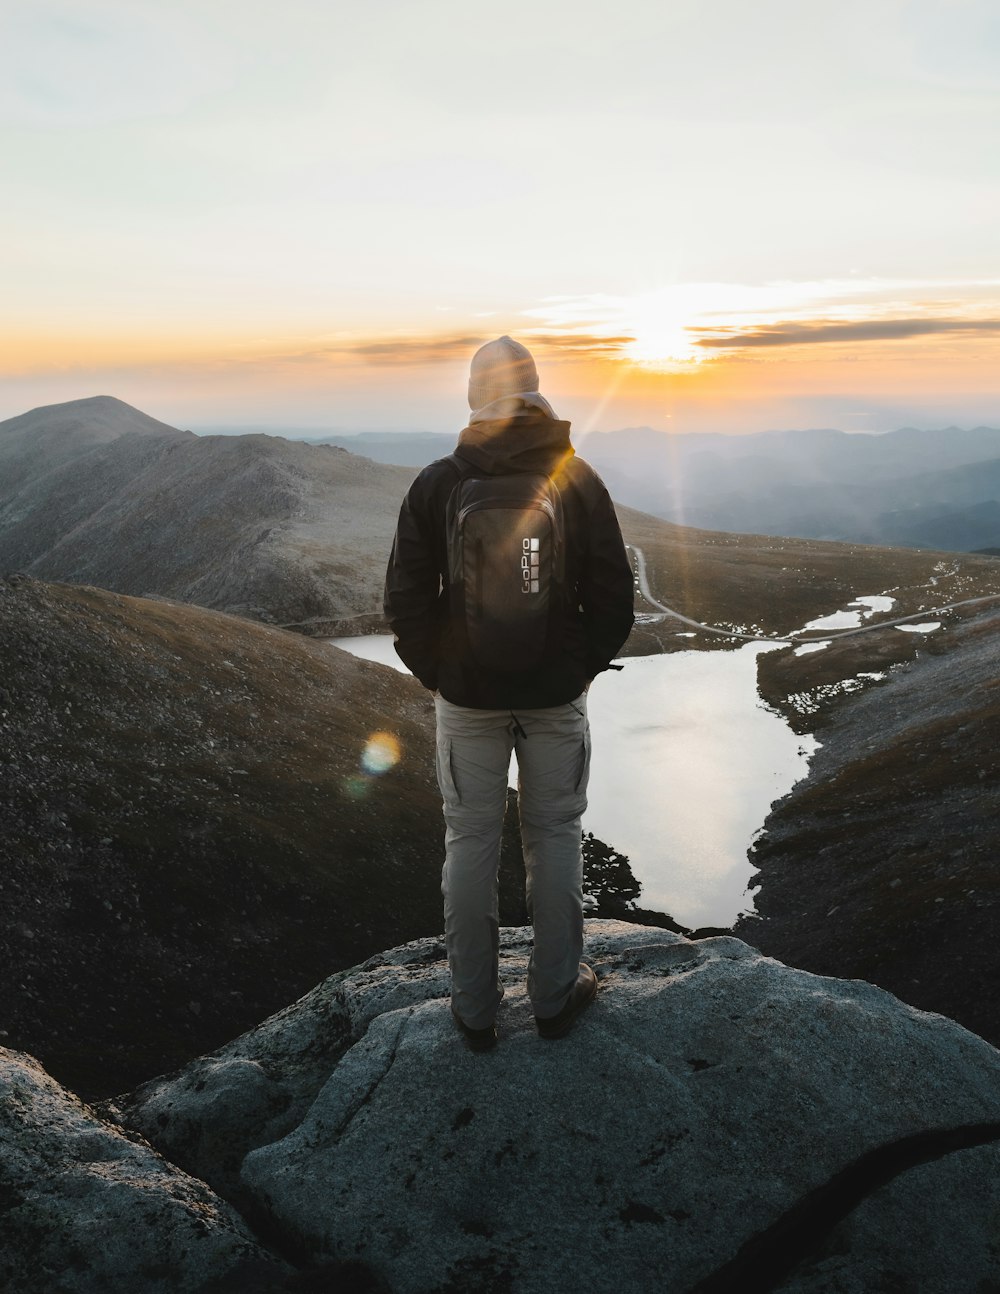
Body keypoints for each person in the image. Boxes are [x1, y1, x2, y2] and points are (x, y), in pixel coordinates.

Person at [384, 336, 635, 1050]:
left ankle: (474, 1010)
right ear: (535, 392)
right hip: (556, 697)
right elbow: (615, 598)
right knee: (555, 834)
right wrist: (576, 666)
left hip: (468, 700)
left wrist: (443, 674)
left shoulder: (437, 483)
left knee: (470, 840)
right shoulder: (576, 477)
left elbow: (404, 601)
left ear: (473, 397)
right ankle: (555, 996)